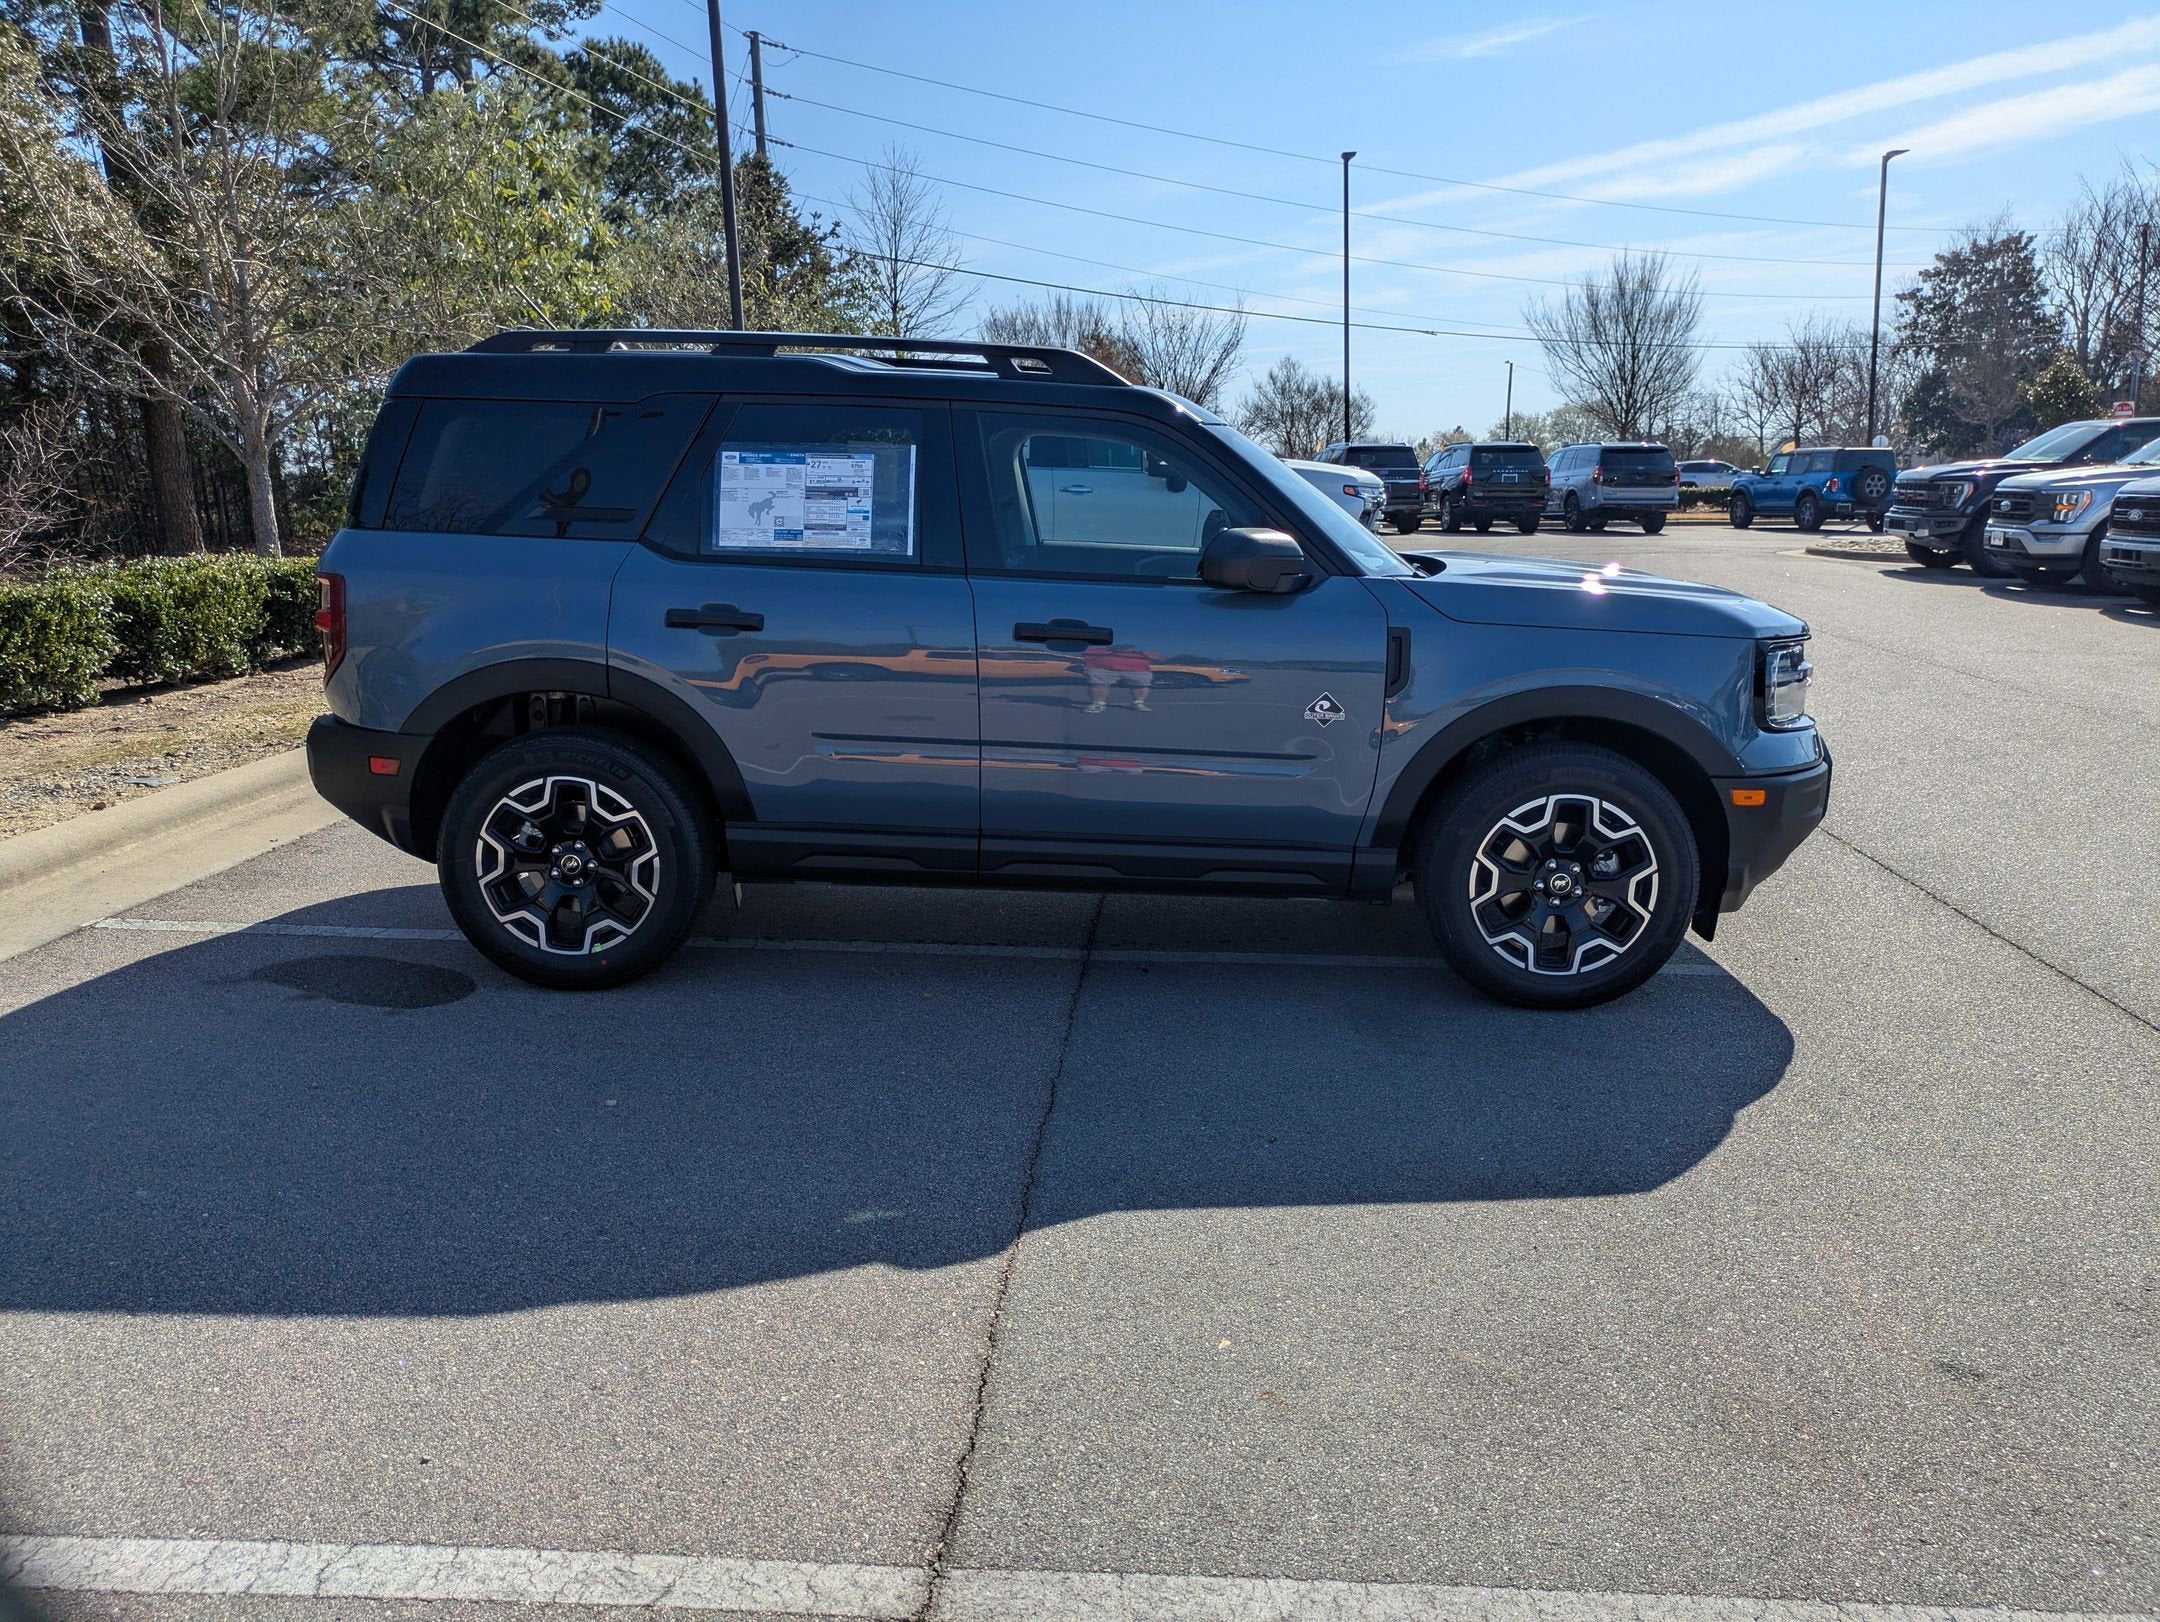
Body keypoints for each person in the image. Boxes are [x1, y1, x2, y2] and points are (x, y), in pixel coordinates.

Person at [1081, 643, 1157, 713]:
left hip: (1138, 667)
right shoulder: (1103, 640)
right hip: (1100, 666)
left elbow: (1158, 656)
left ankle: (1139, 703)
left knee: (1141, 685)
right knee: (1098, 684)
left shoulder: (1145, 640)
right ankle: (1098, 703)